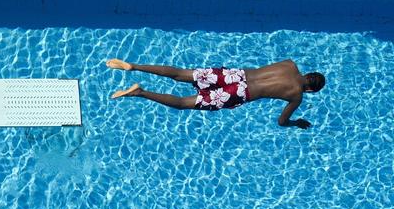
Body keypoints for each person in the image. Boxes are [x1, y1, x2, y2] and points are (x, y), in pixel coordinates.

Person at [108, 59, 325, 129]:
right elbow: (281, 121)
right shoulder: (297, 95)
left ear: (308, 73)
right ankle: (141, 92)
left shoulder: (289, 64)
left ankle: (133, 67)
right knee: (184, 103)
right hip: (241, 92)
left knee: (181, 74)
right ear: (311, 89)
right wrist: (296, 123)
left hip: (234, 75)